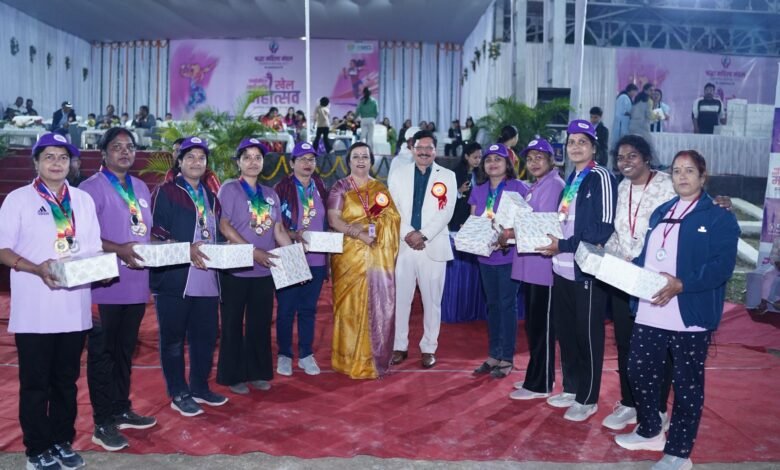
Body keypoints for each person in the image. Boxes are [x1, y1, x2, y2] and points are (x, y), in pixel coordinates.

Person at [614, 150, 740, 470]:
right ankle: (650, 429)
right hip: (651, 308)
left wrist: (681, 285)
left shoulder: (719, 216)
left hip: (688, 312)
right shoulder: (662, 211)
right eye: (676, 171)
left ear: (702, 176)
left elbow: (721, 267)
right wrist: (627, 271)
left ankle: (679, 453)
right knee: (638, 369)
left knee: (687, 384)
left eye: (689, 170)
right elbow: (649, 254)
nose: (682, 176)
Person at [0, 132, 102, 470]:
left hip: (74, 309)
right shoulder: (18, 199)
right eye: (49, 157)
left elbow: (93, 249)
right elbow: (3, 249)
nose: (56, 163)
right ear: (36, 162)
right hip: (35, 310)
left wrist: (100, 269)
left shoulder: (82, 200)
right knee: (35, 384)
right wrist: (36, 268)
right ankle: (36, 450)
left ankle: (61, 441)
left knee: (66, 382)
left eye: (62, 157)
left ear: (71, 163)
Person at [80, 127, 157, 452]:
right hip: (105, 286)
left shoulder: (140, 187)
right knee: (103, 355)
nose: (124, 151)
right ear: (103, 153)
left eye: (129, 146)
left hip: (136, 285)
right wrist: (119, 250)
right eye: (116, 146)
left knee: (125, 352)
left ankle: (121, 408)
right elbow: (83, 237)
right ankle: (102, 423)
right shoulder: (90, 189)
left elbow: (144, 233)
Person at [537, 119, 616, 422]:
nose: (576, 147)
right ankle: (571, 388)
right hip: (561, 269)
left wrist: (563, 245)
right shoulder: (571, 179)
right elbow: (562, 221)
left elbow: (602, 229)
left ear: (594, 147)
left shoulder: (600, 177)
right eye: (572, 142)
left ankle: (588, 397)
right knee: (567, 333)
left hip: (587, 270)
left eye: (583, 142)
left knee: (588, 335)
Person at [601, 135, 677, 432]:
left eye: (632, 156)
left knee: (656, 346)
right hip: (623, 275)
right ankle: (630, 402)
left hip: (656, 277)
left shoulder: (668, 185)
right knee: (625, 342)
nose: (625, 162)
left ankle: (657, 408)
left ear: (646, 157)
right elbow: (616, 232)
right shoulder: (620, 187)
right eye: (620, 158)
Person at [150, 136, 228, 417]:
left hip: (208, 279)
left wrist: (226, 250)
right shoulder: (166, 192)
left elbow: (216, 233)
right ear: (179, 162)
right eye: (190, 157)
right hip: (176, 279)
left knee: (205, 337)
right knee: (173, 340)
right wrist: (186, 249)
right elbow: (156, 236)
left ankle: (199, 386)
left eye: (201, 158)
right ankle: (178, 392)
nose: (196, 162)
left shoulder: (211, 196)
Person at [215, 138, 292, 393]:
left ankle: (258, 372)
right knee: (232, 324)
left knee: (260, 324)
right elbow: (224, 225)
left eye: (257, 157)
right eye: (246, 157)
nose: (252, 162)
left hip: (264, 270)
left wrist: (295, 258)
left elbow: (278, 230)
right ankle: (233, 375)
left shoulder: (270, 194)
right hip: (236, 270)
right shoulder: (229, 189)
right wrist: (252, 251)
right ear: (238, 162)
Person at [327, 142, 400, 378]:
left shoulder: (379, 189)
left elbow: (391, 217)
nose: (361, 160)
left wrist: (375, 228)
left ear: (371, 161)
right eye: (356, 156)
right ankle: (348, 360)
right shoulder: (340, 187)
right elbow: (334, 220)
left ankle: (371, 359)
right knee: (349, 307)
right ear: (348, 161)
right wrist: (359, 234)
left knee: (375, 305)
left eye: (365, 157)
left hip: (376, 255)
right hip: (348, 256)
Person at [502, 137, 565, 400]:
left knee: (543, 328)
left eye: (540, 157)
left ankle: (541, 384)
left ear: (551, 160)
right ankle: (536, 376)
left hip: (543, 267)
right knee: (534, 326)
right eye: (530, 159)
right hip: (531, 265)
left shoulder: (553, 185)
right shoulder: (536, 185)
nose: (534, 162)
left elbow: (541, 226)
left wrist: (511, 231)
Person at [388, 130, 457, 369]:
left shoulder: (447, 176)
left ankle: (429, 347)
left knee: (432, 302)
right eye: (420, 148)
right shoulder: (398, 174)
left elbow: (446, 211)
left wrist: (424, 234)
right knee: (401, 300)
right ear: (412, 149)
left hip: (433, 246)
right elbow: (392, 210)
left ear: (435, 151)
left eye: (429, 148)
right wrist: (409, 234)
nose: (424, 152)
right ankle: (399, 346)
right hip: (405, 246)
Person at [469, 143, 528, 378]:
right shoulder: (479, 189)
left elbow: (526, 222)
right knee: (492, 305)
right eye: (488, 160)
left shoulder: (518, 188)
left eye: (498, 159)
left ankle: (506, 357)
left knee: (507, 305)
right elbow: (474, 221)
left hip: (508, 256)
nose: (492, 163)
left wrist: (507, 238)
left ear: (507, 164)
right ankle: (494, 354)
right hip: (486, 257)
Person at [274, 142, 329, 376]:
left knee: (308, 309)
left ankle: (306, 354)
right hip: (289, 255)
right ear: (292, 163)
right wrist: (292, 234)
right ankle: (284, 354)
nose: (308, 164)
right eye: (302, 159)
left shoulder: (320, 186)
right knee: (286, 309)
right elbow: (275, 224)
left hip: (317, 258)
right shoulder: (281, 188)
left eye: (311, 159)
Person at [448, 142, 482, 231]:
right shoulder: (455, 173)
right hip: (459, 215)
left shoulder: (481, 173)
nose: (478, 160)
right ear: (466, 156)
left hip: (476, 215)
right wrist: (459, 191)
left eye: (480, 157)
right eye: (475, 157)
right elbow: (447, 196)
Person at [610, 84, 639, 162]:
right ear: (631, 90)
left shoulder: (624, 97)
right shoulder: (624, 97)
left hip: (623, 122)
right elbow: (625, 111)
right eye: (634, 92)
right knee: (620, 140)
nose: (635, 94)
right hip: (621, 123)